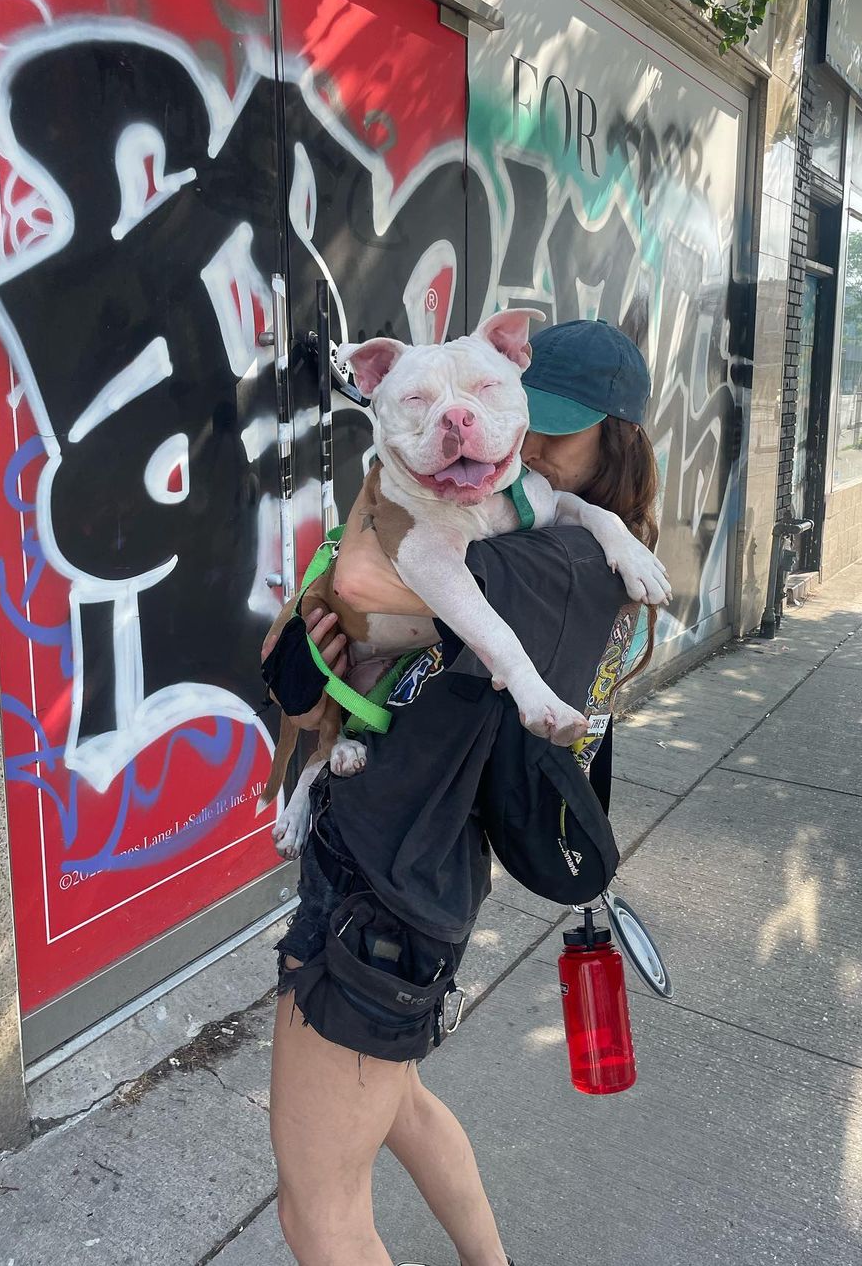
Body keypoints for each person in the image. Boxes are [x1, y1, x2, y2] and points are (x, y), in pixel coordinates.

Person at [264, 319, 667, 1266]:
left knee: (316, 1213)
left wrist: (326, 609)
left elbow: (365, 568)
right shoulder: (567, 542)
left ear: (618, 440)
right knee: (399, 1102)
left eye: (545, 434)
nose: (511, 448)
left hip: (382, 891)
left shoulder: (559, 562)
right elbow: (362, 616)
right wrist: (308, 674)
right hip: (416, 872)